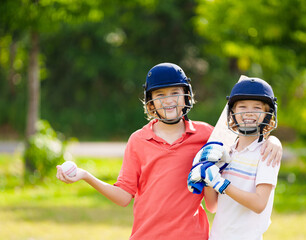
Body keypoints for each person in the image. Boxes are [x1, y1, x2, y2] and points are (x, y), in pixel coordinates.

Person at [56, 63, 282, 240]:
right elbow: (124, 197)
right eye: (160, 95)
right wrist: (85, 175)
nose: (169, 101)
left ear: (187, 96)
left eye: (175, 93)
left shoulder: (208, 135)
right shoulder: (138, 140)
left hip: (194, 237)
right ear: (150, 103)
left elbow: (247, 134)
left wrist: (274, 141)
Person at [188, 77, 281, 240]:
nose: (249, 112)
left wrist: (222, 184)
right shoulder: (225, 152)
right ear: (232, 113)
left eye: (257, 107)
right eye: (242, 106)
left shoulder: (267, 153)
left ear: (268, 114)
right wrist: (208, 176)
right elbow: (212, 206)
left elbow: (259, 204)